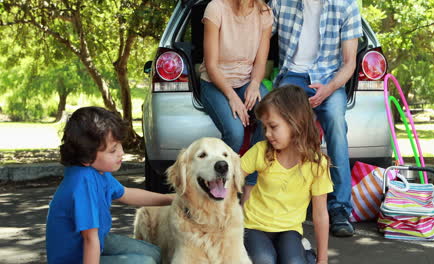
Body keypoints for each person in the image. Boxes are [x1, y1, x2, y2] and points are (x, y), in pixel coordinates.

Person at [268, 0, 363, 237]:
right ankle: (270, 199)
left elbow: (350, 62)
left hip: (331, 77)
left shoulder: (347, 5)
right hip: (293, 75)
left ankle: (340, 209)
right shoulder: (281, 2)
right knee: (274, 121)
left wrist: (328, 89)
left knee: (335, 122)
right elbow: (255, 31)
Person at [46, 106, 173, 264]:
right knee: (144, 262)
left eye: (119, 144)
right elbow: (90, 240)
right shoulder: (83, 184)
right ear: (87, 157)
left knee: (154, 253)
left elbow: (126, 193)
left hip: (96, 240)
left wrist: (170, 199)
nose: (121, 152)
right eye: (112, 150)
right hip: (75, 258)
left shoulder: (97, 172)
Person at [241, 85, 333, 264]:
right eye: (265, 127)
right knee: (264, 260)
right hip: (253, 227)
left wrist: (322, 260)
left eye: (273, 126)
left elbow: (321, 214)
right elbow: (230, 178)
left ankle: (307, 255)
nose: (267, 134)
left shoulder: (317, 165)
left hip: (289, 230)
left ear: (295, 122)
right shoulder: (260, 151)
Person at [198, 0, 273, 193]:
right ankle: (215, 185)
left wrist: (255, 84)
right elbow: (211, 65)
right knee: (235, 132)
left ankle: (250, 186)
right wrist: (232, 97)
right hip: (214, 82)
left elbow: (260, 62)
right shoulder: (216, 8)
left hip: (247, 80)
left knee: (270, 118)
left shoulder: (264, 13)